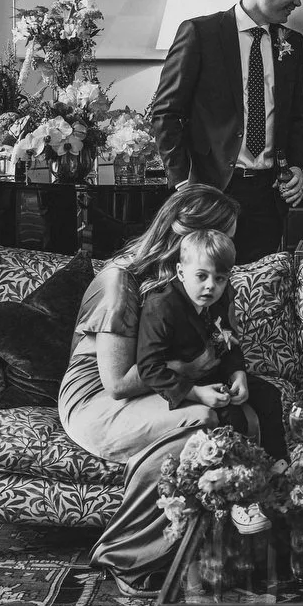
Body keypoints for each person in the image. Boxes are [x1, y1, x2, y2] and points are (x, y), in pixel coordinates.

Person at [58, 184, 243, 465]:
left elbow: (221, 338)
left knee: (245, 414)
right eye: (220, 238)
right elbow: (117, 384)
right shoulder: (121, 281)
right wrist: (186, 367)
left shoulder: (196, 280)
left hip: (163, 384)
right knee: (203, 420)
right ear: (190, 237)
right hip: (99, 399)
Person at [150, 0, 303, 265]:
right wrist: (183, 183)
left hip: (268, 195)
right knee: (207, 286)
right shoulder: (199, 33)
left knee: (262, 288)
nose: (298, 1)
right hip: (211, 192)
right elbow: (166, 113)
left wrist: (298, 168)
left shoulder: (292, 44)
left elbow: (296, 117)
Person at [134, 228, 285, 456]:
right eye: (201, 276)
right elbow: (149, 368)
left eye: (220, 278)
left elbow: (228, 339)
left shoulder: (220, 297)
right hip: (178, 382)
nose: (210, 286)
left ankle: (278, 464)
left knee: (270, 395)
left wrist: (238, 374)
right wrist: (195, 392)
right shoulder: (161, 307)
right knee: (232, 419)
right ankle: (239, 475)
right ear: (181, 272)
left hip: (215, 372)